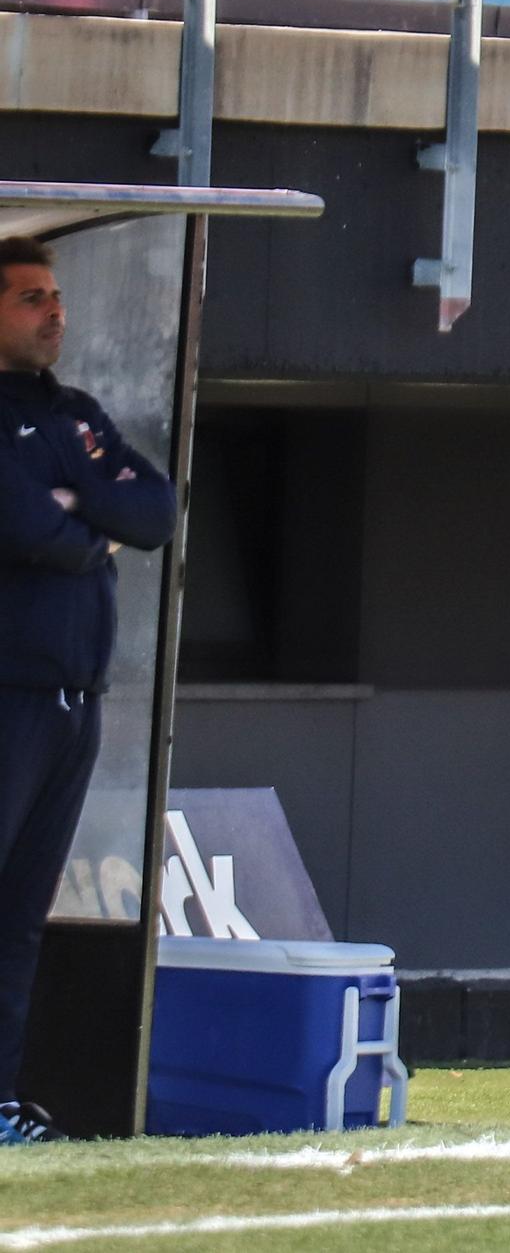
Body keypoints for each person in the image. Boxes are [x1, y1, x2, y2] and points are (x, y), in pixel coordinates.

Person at [0, 237, 177, 1142]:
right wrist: (83, 522)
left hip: (76, 701)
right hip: (9, 694)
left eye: (57, 295)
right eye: (31, 297)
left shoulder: (76, 416)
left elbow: (155, 510)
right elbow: (31, 527)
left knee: (20, 918)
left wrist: (84, 507)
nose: (54, 311)